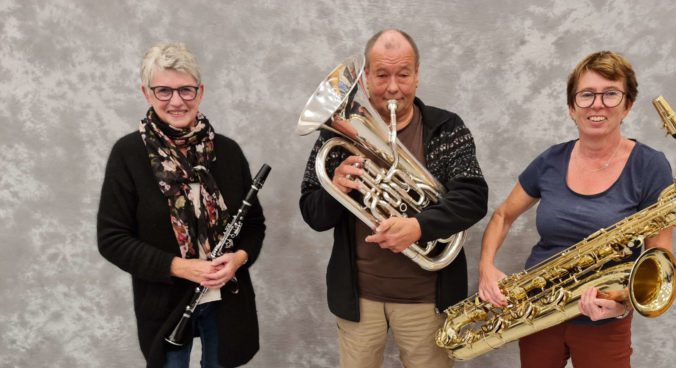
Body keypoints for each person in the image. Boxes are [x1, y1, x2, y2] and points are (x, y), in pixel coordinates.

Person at [299, 29, 488, 368]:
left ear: (417, 75)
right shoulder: (339, 134)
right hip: (359, 301)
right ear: (366, 77)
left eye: (403, 74)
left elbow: (474, 196)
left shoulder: (446, 128)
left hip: (427, 300)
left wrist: (418, 226)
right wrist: (336, 189)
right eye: (382, 75)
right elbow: (313, 215)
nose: (392, 87)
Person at [477, 51, 674, 368]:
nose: (598, 105)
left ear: (628, 105)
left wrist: (621, 303)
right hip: (537, 312)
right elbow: (502, 216)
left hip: (604, 319)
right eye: (587, 95)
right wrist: (486, 268)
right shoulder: (550, 160)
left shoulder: (650, 166)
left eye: (610, 94)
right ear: (572, 108)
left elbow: (659, 261)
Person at [97, 43, 264, 368]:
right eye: (163, 91)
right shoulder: (128, 154)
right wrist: (182, 267)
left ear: (199, 92)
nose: (176, 101)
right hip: (165, 304)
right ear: (147, 94)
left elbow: (254, 226)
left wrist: (238, 260)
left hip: (225, 301)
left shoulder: (227, 152)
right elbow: (112, 240)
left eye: (186, 90)